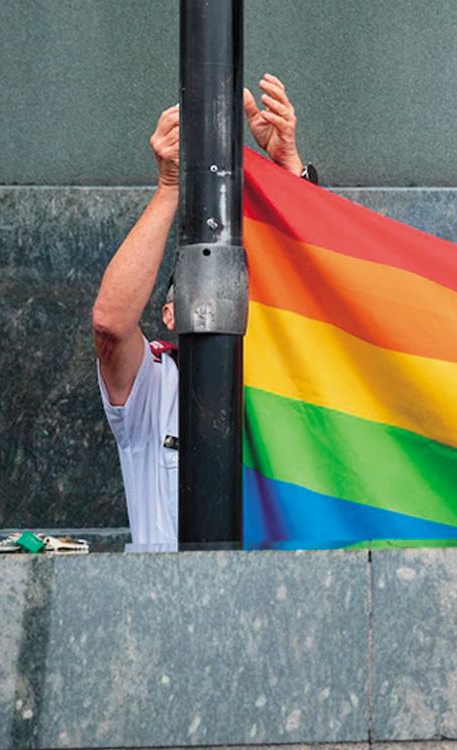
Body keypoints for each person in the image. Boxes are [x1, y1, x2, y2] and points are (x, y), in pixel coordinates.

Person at [92, 74, 307, 547]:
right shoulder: (154, 386)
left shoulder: (289, 384)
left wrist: (289, 174)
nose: (217, 311)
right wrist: (170, 186)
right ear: (169, 315)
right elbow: (110, 325)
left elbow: (325, 303)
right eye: (191, 299)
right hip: (168, 607)